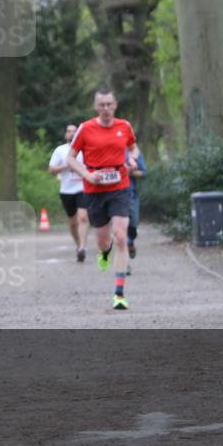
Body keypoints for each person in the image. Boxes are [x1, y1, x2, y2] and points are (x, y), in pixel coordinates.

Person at [66, 90, 141, 310]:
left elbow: (133, 147)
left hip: (120, 185)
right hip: (94, 188)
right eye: (102, 105)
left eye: (109, 104)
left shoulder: (124, 126)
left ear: (115, 105)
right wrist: (87, 175)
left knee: (120, 236)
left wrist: (133, 160)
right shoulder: (86, 129)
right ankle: (104, 252)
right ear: (96, 107)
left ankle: (119, 294)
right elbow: (71, 157)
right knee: (104, 241)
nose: (106, 109)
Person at [49, 123, 90, 262]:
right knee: (73, 223)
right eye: (69, 131)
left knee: (83, 217)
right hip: (67, 190)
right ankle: (78, 243)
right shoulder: (60, 150)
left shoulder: (86, 149)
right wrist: (68, 165)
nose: (72, 133)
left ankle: (82, 247)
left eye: (75, 131)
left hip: (83, 188)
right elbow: (52, 169)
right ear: (65, 135)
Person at [125, 150, 147, 275]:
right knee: (120, 233)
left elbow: (143, 173)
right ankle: (125, 265)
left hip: (131, 195)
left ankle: (131, 242)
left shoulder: (134, 153)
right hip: (116, 197)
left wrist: (130, 171)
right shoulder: (110, 149)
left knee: (133, 226)